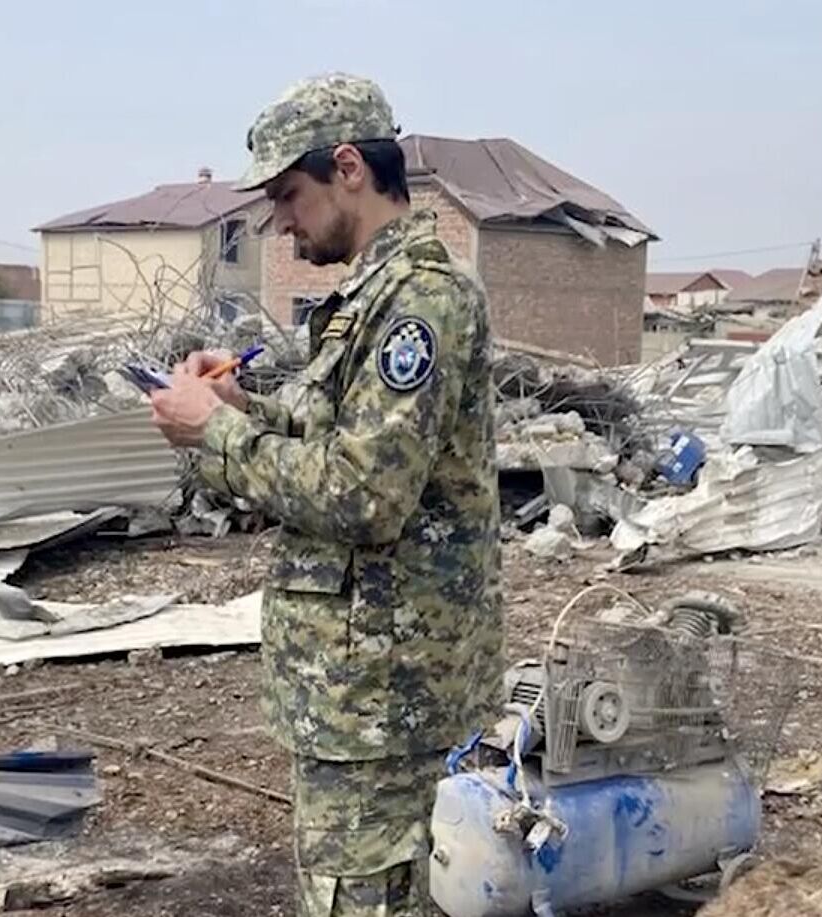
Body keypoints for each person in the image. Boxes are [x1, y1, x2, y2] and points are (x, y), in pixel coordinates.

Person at [148, 73, 505, 917]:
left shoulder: (421, 300)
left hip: (389, 691)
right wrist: (236, 407)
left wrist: (218, 434)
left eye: (287, 195)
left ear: (348, 167)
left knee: (367, 898)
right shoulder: (369, 299)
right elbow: (334, 438)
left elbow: (364, 495)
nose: (280, 221)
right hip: (362, 689)